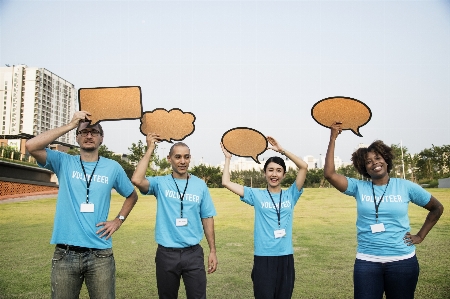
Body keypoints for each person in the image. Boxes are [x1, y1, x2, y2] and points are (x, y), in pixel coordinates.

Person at [323, 122, 444, 299]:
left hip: (402, 261)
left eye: (378, 158)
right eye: (369, 162)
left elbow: (437, 208)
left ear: (386, 160)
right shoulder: (359, 187)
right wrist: (333, 138)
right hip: (367, 262)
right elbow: (329, 174)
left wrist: (420, 236)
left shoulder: (405, 186)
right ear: (364, 168)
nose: (375, 163)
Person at [25, 111, 139, 299]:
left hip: (100, 255)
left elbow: (132, 195)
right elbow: (31, 145)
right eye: (84, 132)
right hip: (65, 254)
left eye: (94, 132)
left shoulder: (113, 167)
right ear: (76, 138)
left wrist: (118, 220)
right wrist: (71, 124)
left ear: (101, 138)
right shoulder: (63, 161)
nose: (89, 135)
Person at [131, 133, 217, 299]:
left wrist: (212, 250)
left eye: (186, 157)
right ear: (169, 159)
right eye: (177, 157)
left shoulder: (200, 185)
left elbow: (207, 218)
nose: (182, 161)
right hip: (166, 254)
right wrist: (150, 148)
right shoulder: (160, 183)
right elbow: (137, 179)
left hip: (193, 253)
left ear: (190, 158)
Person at [220, 136, 308, 299]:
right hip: (263, 257)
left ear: (284, 174)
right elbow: (226, 182)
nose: (274, 174)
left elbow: (303, 167)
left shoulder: (291, 194)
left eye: (278, 170)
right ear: (265, 172)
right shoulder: (256, 195)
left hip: (285, 257)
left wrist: (281, 150)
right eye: (271, 170)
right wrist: (227, 158)